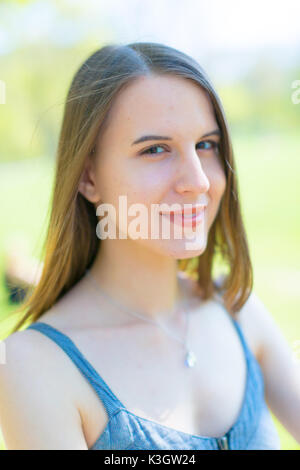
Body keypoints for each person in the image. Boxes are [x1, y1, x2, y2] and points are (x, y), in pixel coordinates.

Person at [0, 42, 299, 451]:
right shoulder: (33, 366)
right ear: (88, 177)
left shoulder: (238, 310)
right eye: (155, 149)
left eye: (206, 145)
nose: (197, 180)